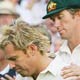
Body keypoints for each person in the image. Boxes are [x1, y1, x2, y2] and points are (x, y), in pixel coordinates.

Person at [43, 0, 80, 79]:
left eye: (60, 17)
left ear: (78, 15)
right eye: (53, 20)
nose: (56, 24)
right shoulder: (56, 57)